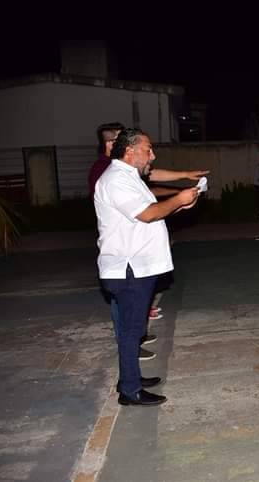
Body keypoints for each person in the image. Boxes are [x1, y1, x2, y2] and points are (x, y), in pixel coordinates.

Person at [94, 128, 199, 406]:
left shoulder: (129, 177)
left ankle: (131, 378)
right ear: (129, 151)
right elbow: (148, 214)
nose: (152, 155)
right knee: (131, 331)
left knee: (135, 329)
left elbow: (148, 214)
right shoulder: (117, 179)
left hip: (137, 265)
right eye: (148, 149)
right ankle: (130, 390)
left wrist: (178, 207)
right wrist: (178, 199)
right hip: (128, 267)